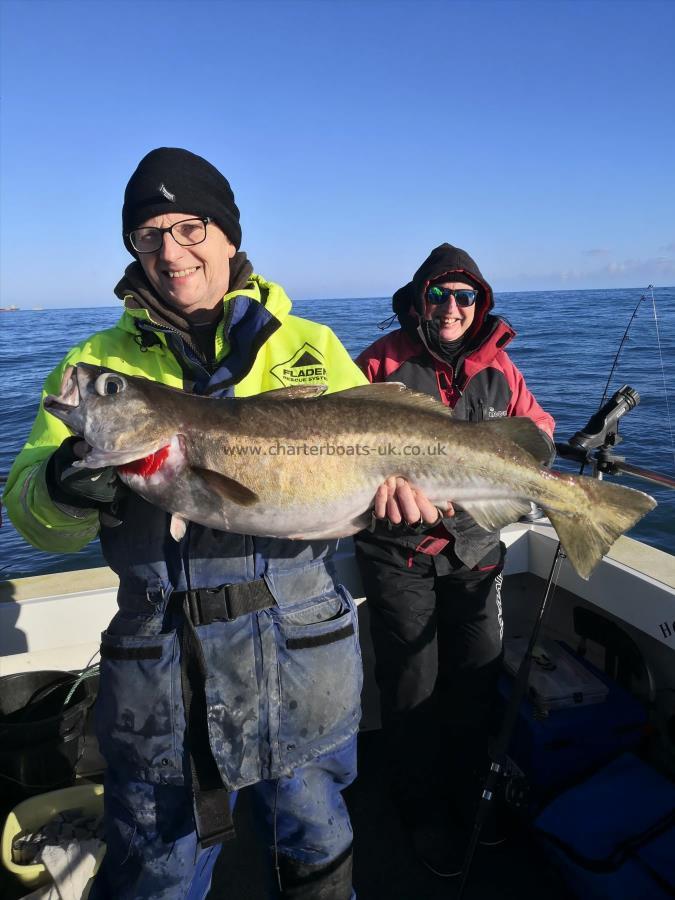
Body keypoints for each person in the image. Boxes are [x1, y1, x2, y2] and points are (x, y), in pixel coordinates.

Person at [3, 147, 370, 900]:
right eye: (148, 235)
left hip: (304, 658)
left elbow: (365, 484)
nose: (171, 251)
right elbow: (35, 521)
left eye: (190, 226)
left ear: (229, 234)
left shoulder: (313, 348)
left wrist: (397, 502)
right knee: (157, 870)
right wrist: (69, 481)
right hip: (162, 675)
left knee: (316, 849)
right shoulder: (94, 362)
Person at [354, 243, 555, 877]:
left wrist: (533, 460)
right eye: (438, 294)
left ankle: (474, 798)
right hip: (400, 553)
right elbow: (342, 445)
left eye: (464, 297)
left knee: (475, 681)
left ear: (480, 304)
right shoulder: (380, 361)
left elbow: (539, 431)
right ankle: (420, 813)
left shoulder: (501, 369)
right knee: (411, 687)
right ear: (418, 300)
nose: (451, 308)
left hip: (477, 551)